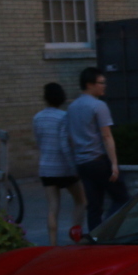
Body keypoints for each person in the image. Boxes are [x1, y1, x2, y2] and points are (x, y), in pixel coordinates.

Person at [67, 67, 130, 231]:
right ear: (89, 84)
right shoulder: (98, 106)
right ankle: (105, 230)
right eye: (101, 83)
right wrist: (114, 164)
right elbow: (106, 136)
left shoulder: (72, 107)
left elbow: (70, 137)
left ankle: (95, 240)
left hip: (83, 163)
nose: (104, 86)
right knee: (122, 198)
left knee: (94, 206)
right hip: (98, 161)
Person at [33, 82, 87, 245]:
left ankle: (52, 243)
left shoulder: (37, 118)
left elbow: (38, 141)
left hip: (46, 168)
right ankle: (76, 235)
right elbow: (65, 144)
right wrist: (73, 167)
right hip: (64, 168)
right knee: (81, 201)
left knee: (53, 207)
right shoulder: (64, 117)